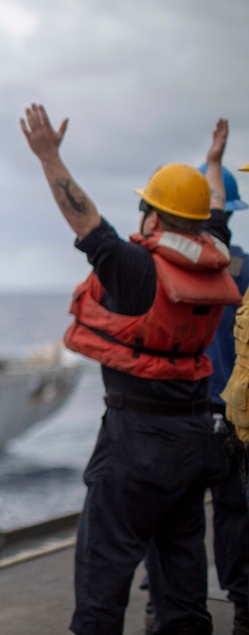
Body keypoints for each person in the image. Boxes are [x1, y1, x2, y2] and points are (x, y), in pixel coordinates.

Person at [19, 104, 241, 635]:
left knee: (102, 587)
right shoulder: (219, 262)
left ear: (154, 218)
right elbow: (211, 212)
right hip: (192, 442)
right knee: (183, 593)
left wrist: (49, 157)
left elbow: (85, 222)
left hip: (134, 446)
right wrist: (214, 163)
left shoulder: (138, 272)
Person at [144, 160, 249, 635]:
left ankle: (158, 607)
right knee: (233, 513)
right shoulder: (236, 267)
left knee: (170, 518)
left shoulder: (152, 264)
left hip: (181, 412)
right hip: (232, 416)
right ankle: (244, 606)